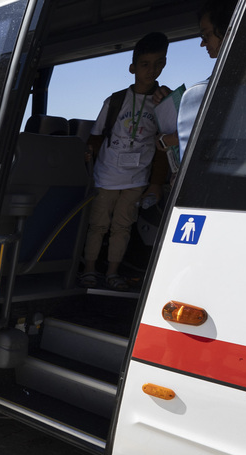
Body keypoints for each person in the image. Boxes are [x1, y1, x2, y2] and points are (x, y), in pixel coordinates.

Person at [78, 32, 177, 291]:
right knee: (98, 224)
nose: (151, 70)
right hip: (107, 175)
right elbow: (97, 137)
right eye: (145, 64)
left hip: (137, 179)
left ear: (164, 64)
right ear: (133, 67)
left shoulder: (164, 102)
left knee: (123, 227)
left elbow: (164, 146)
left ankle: (112, 272)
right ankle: (89, 269)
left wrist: (155, 183)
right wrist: (88, 157)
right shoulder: (115, 101)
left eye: (158, 64)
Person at [168, 0, 235, 158]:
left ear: (228, 31)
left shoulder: (203, 91)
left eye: (207, 35)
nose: (202, 43)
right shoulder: (218, 81)